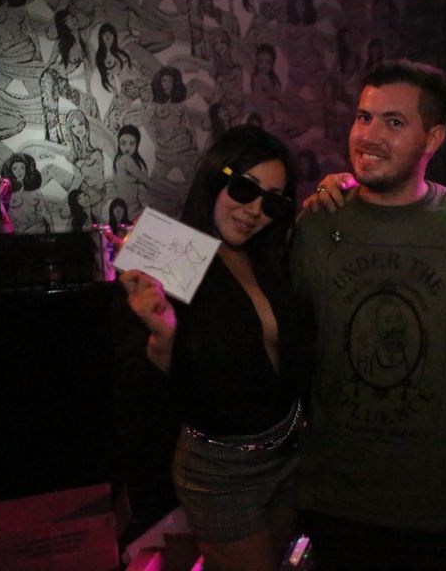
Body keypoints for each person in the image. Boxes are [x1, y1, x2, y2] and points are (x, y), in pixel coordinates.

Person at [290, 60, 446, 570]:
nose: (369, 136)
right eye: (364, 117)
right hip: (336, 496)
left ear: (432, 138)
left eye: (394, 122)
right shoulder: (317, 223)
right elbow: (287, 339)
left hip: (433, 503)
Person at [113, 125, 310, 571]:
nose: (254, 210)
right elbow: (135, 394)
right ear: (215, 177)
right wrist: (161, 337)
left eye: (273, 201)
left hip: (288, 454)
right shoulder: (170, 253)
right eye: (244, 188)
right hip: (221, 469)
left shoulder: (271, 254)